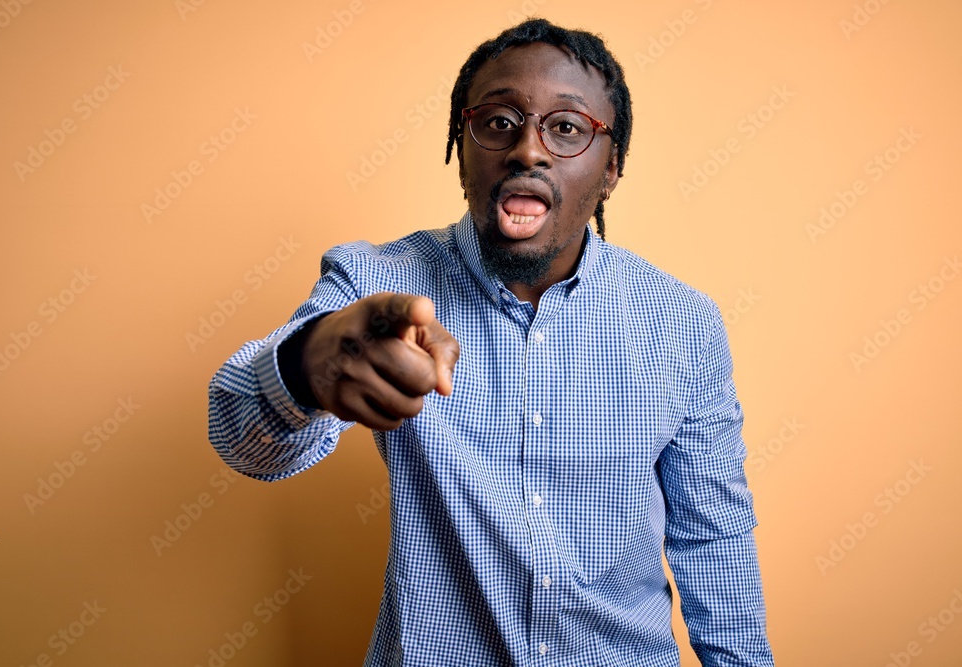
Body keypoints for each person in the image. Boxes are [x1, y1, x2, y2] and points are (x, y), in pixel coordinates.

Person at [208, 18, 774, 667]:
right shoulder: (376, 285)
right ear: (462, 145)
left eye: (566, 128)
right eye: (499, 121)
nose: (528, 150)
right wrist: (311, 361)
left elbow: (714, 538)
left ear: (611, 167)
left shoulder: (682, 322)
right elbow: (239, 435)